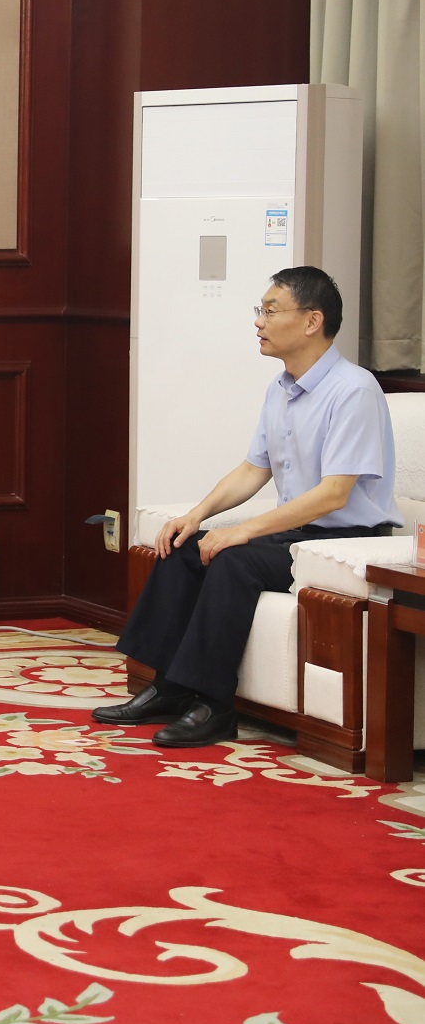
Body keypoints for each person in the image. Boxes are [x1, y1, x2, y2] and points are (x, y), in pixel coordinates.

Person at [96, 266, 398, 746]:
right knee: (185, 546)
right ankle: (168, 687)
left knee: (233, 559)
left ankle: (214, 706)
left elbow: (333, 494)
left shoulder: (354, 390)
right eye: (261, 310)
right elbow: (254, 470)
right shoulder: (281, 388)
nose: (259, 321)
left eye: (271, 310)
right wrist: (196, 516)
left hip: (342, 541)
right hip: (297, 535)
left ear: (312, 321)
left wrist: (242, 531)